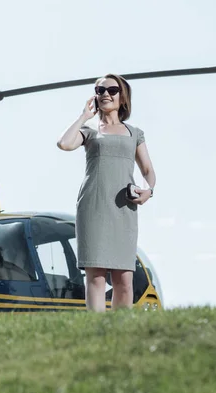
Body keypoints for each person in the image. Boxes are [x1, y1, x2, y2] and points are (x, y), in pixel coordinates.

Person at [56, 73, 156, 312]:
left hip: (124, 210)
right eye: (99, 90)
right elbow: (64, 143)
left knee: (124, 278)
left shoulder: (135, 133)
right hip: (93, 207)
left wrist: (148, 191)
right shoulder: (90, 131)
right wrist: (84, 116)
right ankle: (97, 330)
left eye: (111, 90)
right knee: (96, 276)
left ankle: (121, 331)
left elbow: (148, 171)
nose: (105, 95)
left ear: (122, 97)